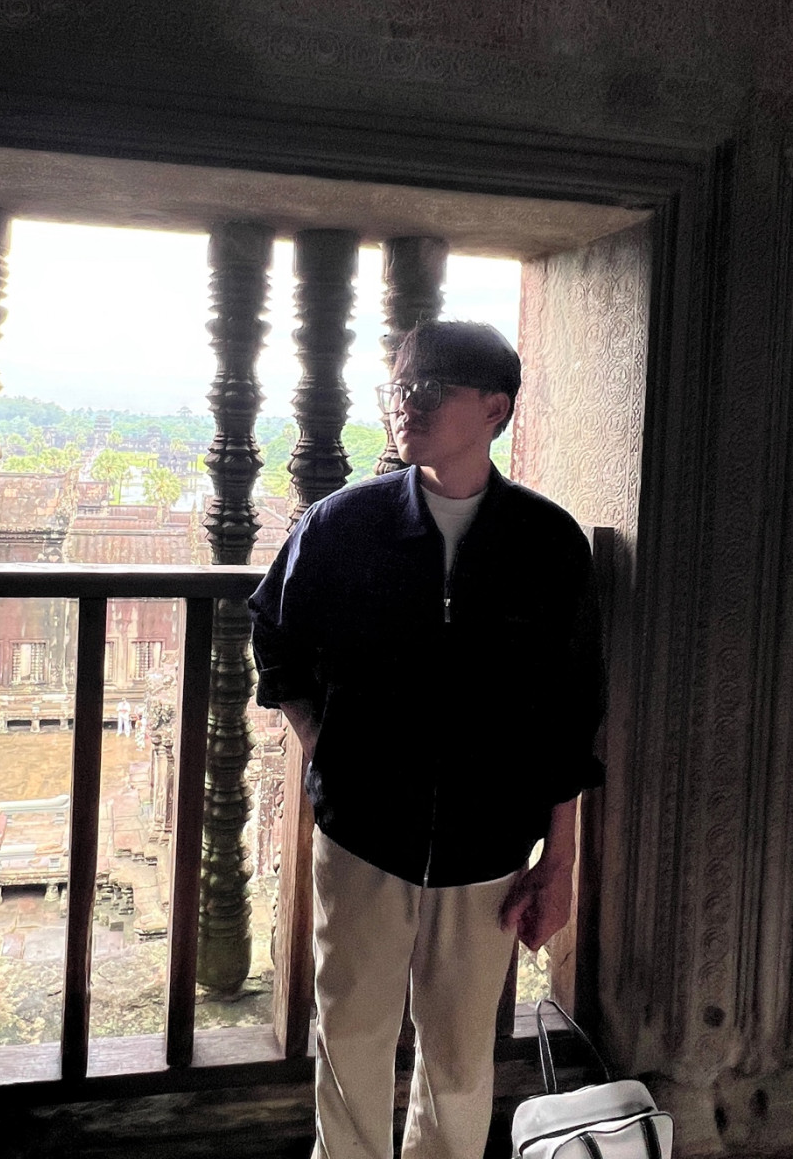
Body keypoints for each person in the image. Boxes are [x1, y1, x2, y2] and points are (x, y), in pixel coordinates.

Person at [248, 321, 605, 1159]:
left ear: (494, 409)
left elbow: (571, 710)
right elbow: (277, 639)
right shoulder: (343, 525)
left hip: (490, 844)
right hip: (361, 835)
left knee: (461, 1056)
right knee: (350, 1038)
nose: (406, 404)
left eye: (430, 388)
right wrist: (325, 744)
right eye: (400, 386)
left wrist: (559, 861)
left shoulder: (546, 544)